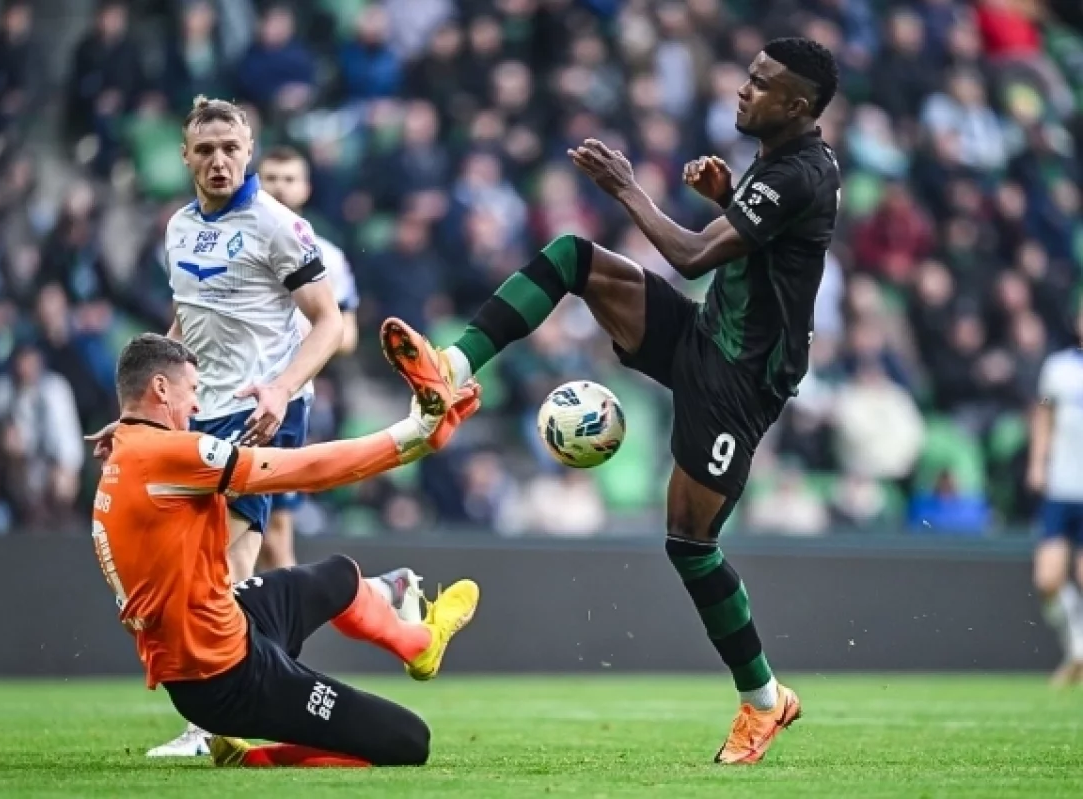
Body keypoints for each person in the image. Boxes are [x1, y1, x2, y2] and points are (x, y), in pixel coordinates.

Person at [379, 38, 841, 764]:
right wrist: (729, 200)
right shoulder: (782, 159)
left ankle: (764, 700)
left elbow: (692, 255)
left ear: (798, 105)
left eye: (761, 84)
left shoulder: (800, 173)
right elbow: (767, 250)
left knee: (690, 542)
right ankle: (451, 365)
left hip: (742, 380)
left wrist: (626, 187)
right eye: (748, 76)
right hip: (707, 333)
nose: (743, 89)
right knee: (574, 258)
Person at [87, 96, 346, 757]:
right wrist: (139, 415)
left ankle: (214, 724)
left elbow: (330, 322)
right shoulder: (179, 228)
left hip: (261, 411)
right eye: (205, 150)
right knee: (207, 569)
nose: (219, 160)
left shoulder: (278, 226)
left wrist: (282, 389)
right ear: (184, 156)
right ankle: (365, 609)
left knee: (225, 567)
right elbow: (185, 328)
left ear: (249, 150)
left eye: (231, 148)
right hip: (200, 415)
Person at [91, 333, 481, 767]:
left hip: (225, 629)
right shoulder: (164, 456)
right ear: (161, 389)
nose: (198, 406)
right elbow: (308, 470)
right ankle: (254, 759)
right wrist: (415, 436)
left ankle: (420, 644)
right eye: (193, 390)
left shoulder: (125, 455)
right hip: (228, 678)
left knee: (337, 576)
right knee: (409, 740)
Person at [254, 146, 361, 572]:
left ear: (306, 188)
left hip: (290, 400)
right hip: (230, 393)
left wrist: (311, 332)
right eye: (271, 178)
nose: (280, 187)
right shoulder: (234, 243)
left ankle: (277, 617)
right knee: (233, 530)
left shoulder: (326, 255)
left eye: (289, 179)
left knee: (276, 532)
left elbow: (347, 334)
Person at [1027, 300, 1083, 686]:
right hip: (1062, 486)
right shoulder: (1058, 369)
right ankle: (1077, 646)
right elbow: (1044, 413)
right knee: (1048, 580)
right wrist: (1037, 462)